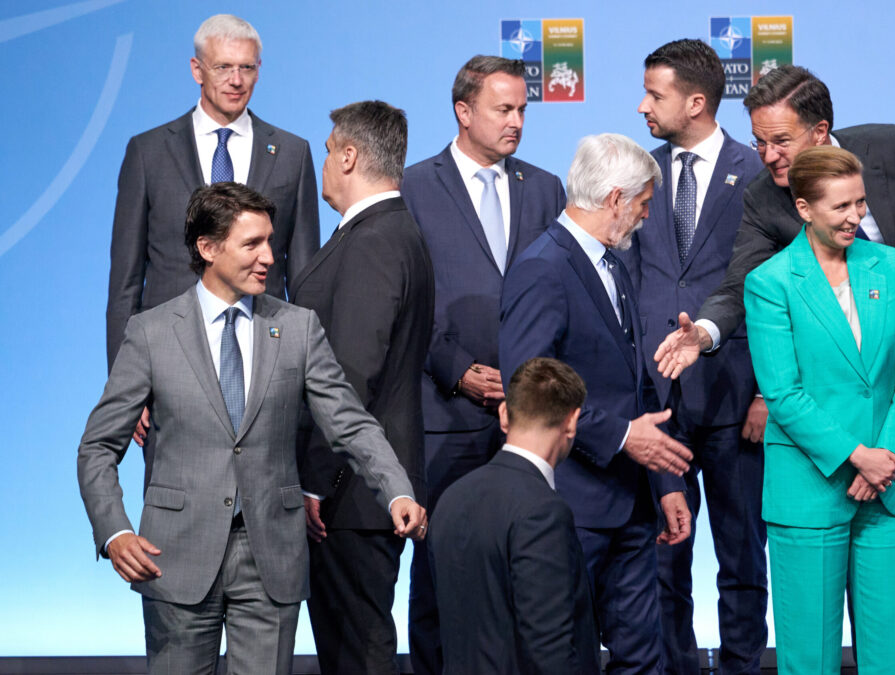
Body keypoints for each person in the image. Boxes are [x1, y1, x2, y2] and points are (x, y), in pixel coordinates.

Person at [654, 64, 895, 674]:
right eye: (759, 141)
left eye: (781, 140)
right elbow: (741, 282)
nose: (768, 155)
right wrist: (707, 332)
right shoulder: (764, 197)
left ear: (820, 131)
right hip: (855, 396)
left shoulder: (890, 148)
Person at [77, 183, 426, 675]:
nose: (269, 257)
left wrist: (396, 490)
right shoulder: (151, 332)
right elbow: (97, 447)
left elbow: (350, 422)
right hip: (174, 553)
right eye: (252, 244)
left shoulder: (298, 328)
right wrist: (114, 531)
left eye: (269, 241)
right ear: (207, 248)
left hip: (271, 554)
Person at [499, 133, 695, 674]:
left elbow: (637, 386)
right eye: (643, 204)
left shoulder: (613, 264)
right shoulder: (542, 268)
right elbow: (530, 390)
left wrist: (667, 483)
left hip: (632, 507)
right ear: (614, 199)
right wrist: (623, 437)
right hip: (572, 508)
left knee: (643, 659)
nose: (647, 216)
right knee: (567, 659)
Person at [400, 54, 566, 673]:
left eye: (522, 108)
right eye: (504, 109)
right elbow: (404, 299)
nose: (517, 120)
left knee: (527, 577)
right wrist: (455, 367)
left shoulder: (545, 187)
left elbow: (557, 291)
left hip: (528, 421)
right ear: (463, 111)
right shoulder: (414, 187)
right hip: (447, 416)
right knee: (440, 577)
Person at [743, 146, 895, 673]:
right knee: (809, 659)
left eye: (860, 203)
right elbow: (783, 394)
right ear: (804, 208)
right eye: (841, 206)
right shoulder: (771, 282)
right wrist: (857, 457)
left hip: (890, 485)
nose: (855, 217)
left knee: (890, 656)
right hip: (810, 489)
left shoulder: (890, 266)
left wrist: (887, 456)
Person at [625, 39, 767, 674]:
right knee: (662, 558)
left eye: (654, 95)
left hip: (738, 402)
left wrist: (765, 393)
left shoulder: (757, 172)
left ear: (696, 102)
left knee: (742, 559)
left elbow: (780, 293)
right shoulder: (638, 174)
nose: (643, 106)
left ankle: (740, 667)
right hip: (658, 405)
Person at [289, 101, 434, 674]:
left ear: (349, 156)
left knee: (358, 652)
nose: (324, 162)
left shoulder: (375, 240)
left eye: (328, 151)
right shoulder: (391, 231)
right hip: (362, 493)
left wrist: (316, 481)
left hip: (350, 495)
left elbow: (348, 375)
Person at [106, 13, 318, 370]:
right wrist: (124, 378)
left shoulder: (292, 154)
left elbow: (303, 280)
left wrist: (305, 371)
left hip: (264, 359)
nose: (236, 80)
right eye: (223, 67)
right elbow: (124, 283)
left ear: (259, 70)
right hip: (167, 356)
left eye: (246, 67)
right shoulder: (148, 153)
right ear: (197, 70)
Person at [430, 357, 601, 675]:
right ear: (572, 422)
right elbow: (550, 651)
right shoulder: (544, 511)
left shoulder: (450, 498)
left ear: (504, 415)